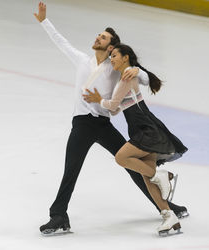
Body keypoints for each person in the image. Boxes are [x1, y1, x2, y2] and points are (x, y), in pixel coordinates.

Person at [33, 2, 188, 235]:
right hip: (82, 124)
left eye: (103, 37)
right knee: (71, 170)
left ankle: (166, 207)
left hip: (103, 125)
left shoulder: (115, 68)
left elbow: (141, 79)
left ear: (110, 47)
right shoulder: (82, 60)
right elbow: (61, 42)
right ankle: (58, 216)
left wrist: (139, 71)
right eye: (98, 35)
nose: (98, 38)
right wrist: (45, 21)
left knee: (132, 166)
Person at [83, 43, 188, 235]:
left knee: (121, 158)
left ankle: (162, 176)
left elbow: (113, 103)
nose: (112, 58)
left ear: (125, 57)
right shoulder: (125, 78)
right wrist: (104, 102)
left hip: (145, 129)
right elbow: (114, 110)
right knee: (146, 176)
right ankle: (169, 215)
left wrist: (99, 99)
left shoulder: (128, 74)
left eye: (115, 55)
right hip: (142, 127)